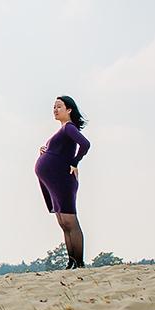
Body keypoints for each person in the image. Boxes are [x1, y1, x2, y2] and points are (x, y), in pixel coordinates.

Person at [35, 95, 91, 268]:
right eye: (54, 107)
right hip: (54, 181)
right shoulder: (61, 131)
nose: (55, 109)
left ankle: (79, 263)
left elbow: (85, 144)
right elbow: (59, 150)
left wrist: (75, 162)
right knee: (63, 223)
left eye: (59, 106)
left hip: (63, 181)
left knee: (70, 221)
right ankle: (71, 261)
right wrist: (45, 150)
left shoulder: (69, 128)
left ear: (69, 110)